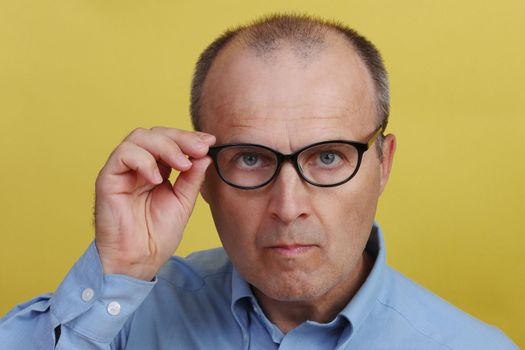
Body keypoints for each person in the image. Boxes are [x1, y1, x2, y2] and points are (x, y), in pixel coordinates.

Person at [0, 14, 517, 350]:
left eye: (329, 157)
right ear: (200, 175)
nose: (288, 207)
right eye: (250, 158)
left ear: (383, 165)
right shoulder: (119, 320)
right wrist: (118, 269)